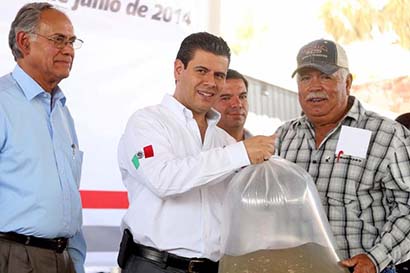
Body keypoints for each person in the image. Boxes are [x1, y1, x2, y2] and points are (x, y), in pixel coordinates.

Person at [117, 32, 275, 273]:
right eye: (202, 71)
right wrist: (240, 153)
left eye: (219, 75)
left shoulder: (223, 141)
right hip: (155, 266)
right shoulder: (147, 123)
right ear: (178, 69)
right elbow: (164, 179)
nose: (211, 82)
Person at [275, 39, 410, 273]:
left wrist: (375, 258)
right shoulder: (285, 136)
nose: (314, 86)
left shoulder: (387, 135)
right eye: (305, 78)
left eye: (326, 76)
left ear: (347, 82)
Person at [0, 3, 86, 273]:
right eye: (58, 40)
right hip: (14, 258)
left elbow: (69, 198)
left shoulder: (62, 110)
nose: (69, 49)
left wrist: (75, 262)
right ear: (24, 42)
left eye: (72, 41)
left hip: (64, 258)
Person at [213, 68, 252, 141]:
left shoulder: (263, 149)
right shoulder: (200, 148)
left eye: (242, 97)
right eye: (226, 98)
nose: (238, 104)